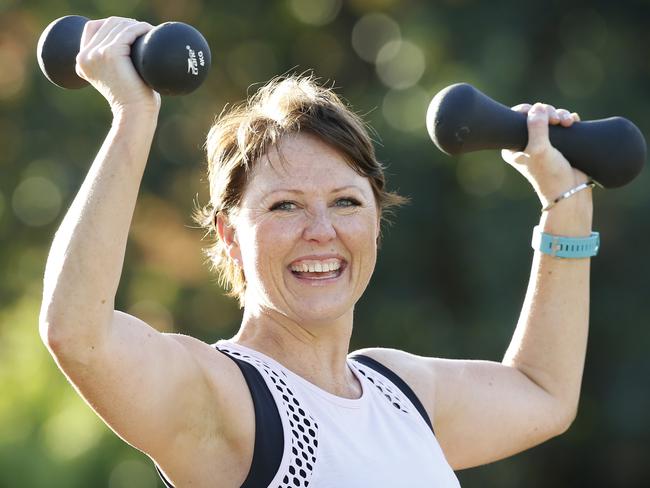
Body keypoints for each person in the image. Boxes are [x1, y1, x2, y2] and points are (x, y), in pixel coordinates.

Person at [39, 17, 596, 488]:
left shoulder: (399, 392)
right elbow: (78, 334)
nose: (321, 230)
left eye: (346, 202)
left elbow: (543, 393)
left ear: (377, 224)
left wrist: (564, 200)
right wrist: (134, 115)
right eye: (285, 206)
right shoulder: (227, 398)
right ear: (229, 236)